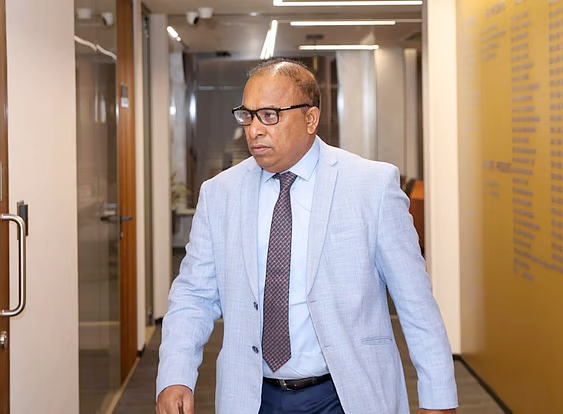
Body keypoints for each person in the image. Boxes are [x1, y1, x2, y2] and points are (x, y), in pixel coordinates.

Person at [156, 58, 458, 414]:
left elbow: (415, 301)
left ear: (310, 119)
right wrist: (175, 375)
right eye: (248, 115)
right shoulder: (220, 193)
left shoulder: (371, 186)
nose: (254, 130)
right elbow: (194, 295)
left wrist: (439, 397)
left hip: (345, 394)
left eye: (269, 115)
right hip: (252, 396)